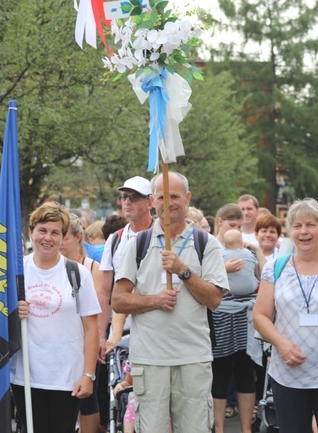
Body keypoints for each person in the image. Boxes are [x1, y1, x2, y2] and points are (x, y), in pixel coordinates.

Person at [112, 171, 228, 432]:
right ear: (153, 201)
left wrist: (183, 271)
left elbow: (214, 300)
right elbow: (118, 301)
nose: (169, 203)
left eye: (175, 196)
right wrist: (154, 300)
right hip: (150, 360)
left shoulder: (205, 243)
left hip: (193, 358)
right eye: (163, 197)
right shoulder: (139, 243)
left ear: (187, 198)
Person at [252, 198, 318, 432]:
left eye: (310, 224)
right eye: (297, 226)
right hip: (288, 376)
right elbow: (260, 315)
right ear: (289, 232)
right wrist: (281, 344)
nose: (304, 232)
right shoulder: (275, 268)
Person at [13, 202, 100, 433]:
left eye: (55, 232)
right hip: (26, 377)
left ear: (63, 238)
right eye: (42, 230)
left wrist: (88, 375)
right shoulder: (17, 272)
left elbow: (91, 329)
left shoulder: (77, 273)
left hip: (66, 378)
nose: (47, 238)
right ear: (31, 232)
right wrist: (14, 312)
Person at [60, 213, 108, 433]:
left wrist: (100, 336)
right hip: (60, 340)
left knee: (87, 397)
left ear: (78, 238)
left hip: (85, 340)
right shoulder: (52, 265)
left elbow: (100, 305)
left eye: (64, 236)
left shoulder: (91, 267)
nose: (59, 242)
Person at [99, 177, 154, 355]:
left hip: (156, 329)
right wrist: (102, 335)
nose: (127, 202)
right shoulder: (115, 239)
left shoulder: (163, 237)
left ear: (150, 202)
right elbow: (106, 292)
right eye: (124, 197)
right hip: (121, 335)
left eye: (135, 197)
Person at [211, 229, 260, 433]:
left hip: (234, 318)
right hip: (229, 317)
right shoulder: (247, 256)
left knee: (226, 374)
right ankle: (244, 429)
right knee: (238, 374)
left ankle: (222, 428)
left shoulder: (219, 255)